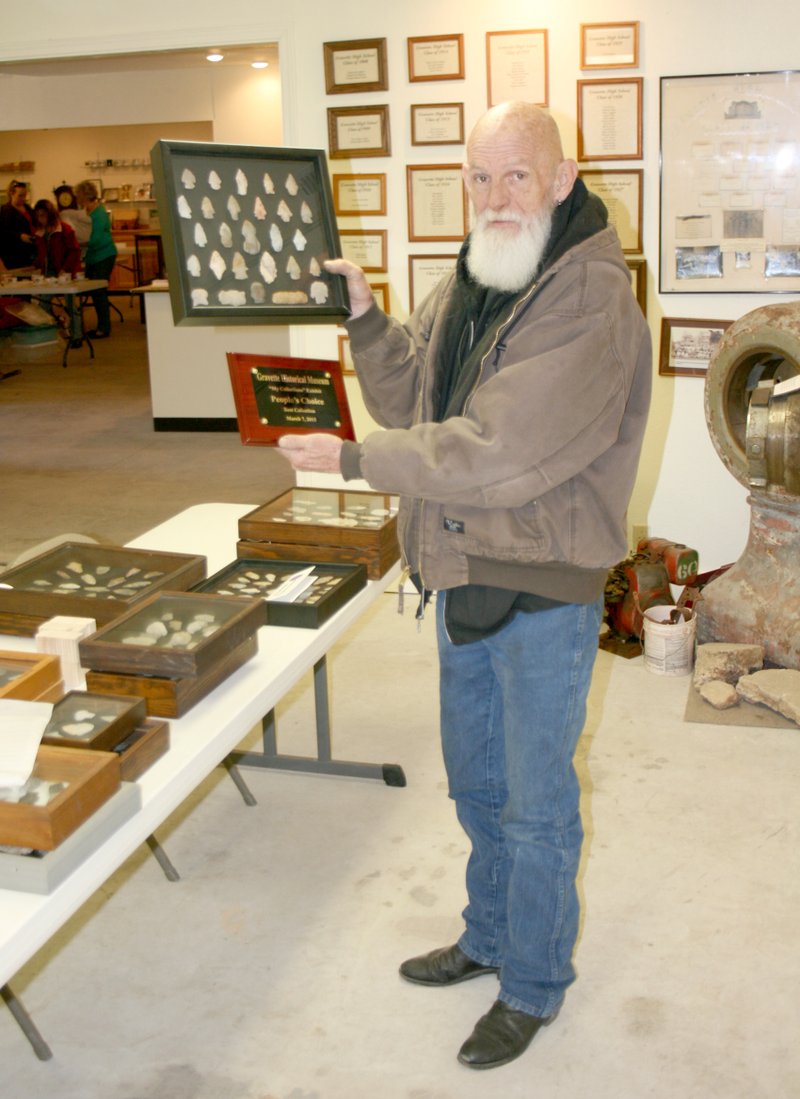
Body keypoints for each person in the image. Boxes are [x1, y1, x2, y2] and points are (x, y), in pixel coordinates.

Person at [278, 101, 652, 1071]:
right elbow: (414, 394)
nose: (491, 198)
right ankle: (486, 931)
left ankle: (530, 981)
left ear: (561, 179)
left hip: (543, 585)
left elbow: (496, 452)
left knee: (535, 804)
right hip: (458, 567)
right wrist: (364, 317)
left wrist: (355, 461)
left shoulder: (589, 298)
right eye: (476, 178)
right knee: (478, 782)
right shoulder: (476, 273)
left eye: (513, 176)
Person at [74, 179, 117, 338]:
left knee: (99, 291)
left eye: (78, 196)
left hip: (103, 255)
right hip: (95, 257)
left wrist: (80, 245)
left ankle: (104, 328)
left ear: (84, 197)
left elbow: (96, 239)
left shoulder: (97, 214)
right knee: (95, 291)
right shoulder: (90, 212)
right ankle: (102, 325)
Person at [32, 199, 81, 278]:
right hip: (48, 274)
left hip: (66, 274)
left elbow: (75, 251)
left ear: (50, 214)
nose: (39, 219)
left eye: (42, 215)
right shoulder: (40, 233)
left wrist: (64, 269)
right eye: (37, 216)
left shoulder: (65, 230)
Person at [0, 180, 36, 270]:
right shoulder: (6, 210)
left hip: (30, 251)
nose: (23, 198)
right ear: (12, 194)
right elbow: (3, 232)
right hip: (15, 254)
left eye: (25, 195)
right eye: (20, 196)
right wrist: (19, 236)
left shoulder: (28, 208)